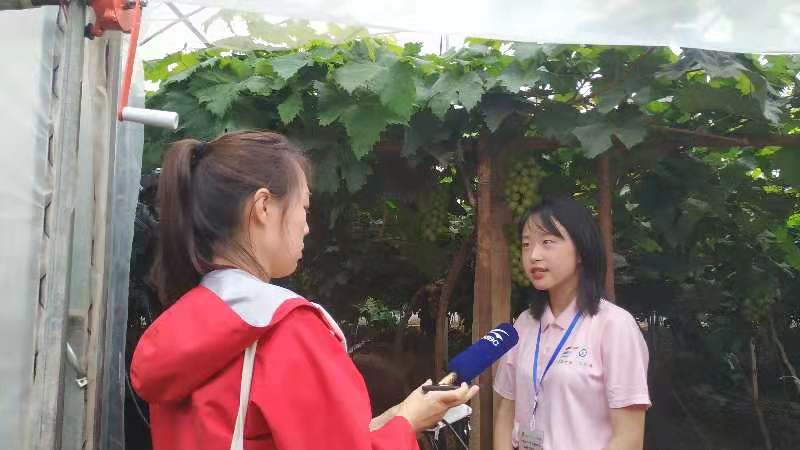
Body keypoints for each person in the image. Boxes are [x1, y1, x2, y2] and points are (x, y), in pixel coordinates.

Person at [130, 130, 478, 450]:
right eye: (304, 207)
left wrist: (399, 417)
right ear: (263, 207)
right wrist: (408, 424)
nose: (307, 227)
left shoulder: (180, 327)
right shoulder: (287, 330)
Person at [493, 197, 650, 450]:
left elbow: (628, 438)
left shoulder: (615, 326)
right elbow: (506, 412)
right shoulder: (523, 324)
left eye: (547, 242)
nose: (533, 255)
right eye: (526, 244)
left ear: (581, 250)